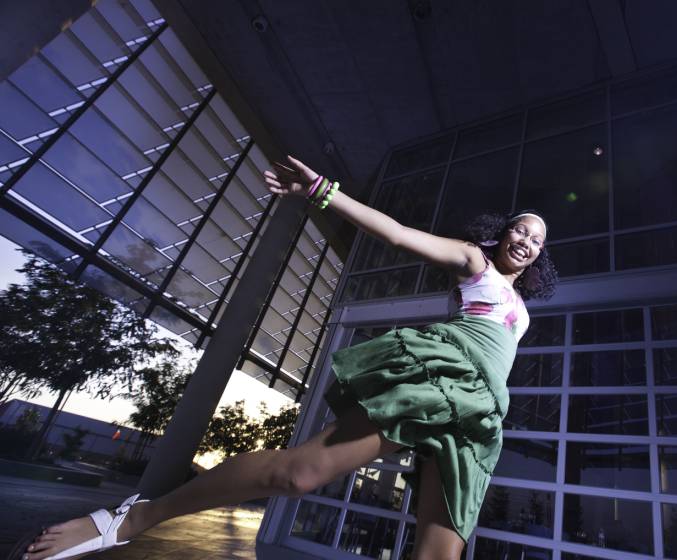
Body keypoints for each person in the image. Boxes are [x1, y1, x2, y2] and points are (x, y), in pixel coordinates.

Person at [13, 155, 557, 560]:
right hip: (443, 380)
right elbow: (396, 233)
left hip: (483, 415)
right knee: (299, 475)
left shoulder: (523, 310)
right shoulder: (474, 263)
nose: (526, 241)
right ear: (502, 232)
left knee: (440, 553)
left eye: (536, 240)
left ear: (539, 257)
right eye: (520, 229)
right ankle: (139, 517)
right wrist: (322, 192)